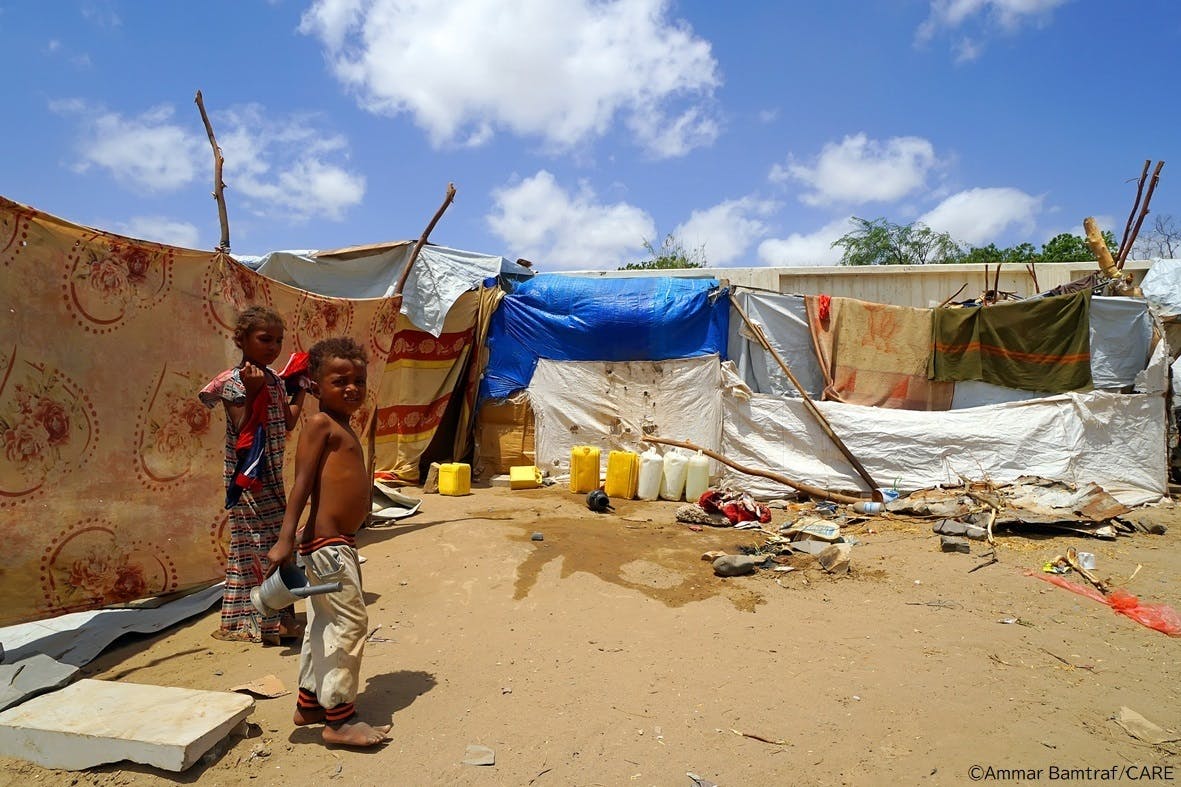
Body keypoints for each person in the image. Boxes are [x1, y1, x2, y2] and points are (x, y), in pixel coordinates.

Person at [267, 336, 391, 747]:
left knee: (323, 623)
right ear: (315, 385)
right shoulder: (320, 424)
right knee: (348, 623)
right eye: (340, 381)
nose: (352, 388)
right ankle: (339, 719)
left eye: (359, 380)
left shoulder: (344, 426)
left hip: (337, 544)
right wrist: (285, 539)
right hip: (328, 546)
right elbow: (301, 484)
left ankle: (310, 703)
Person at [199, 306, 306, 645]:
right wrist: (254, 390)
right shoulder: (234, 382)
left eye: (278, 341)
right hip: (249, 479)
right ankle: (269, 623)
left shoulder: (273, 379)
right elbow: (242, 431)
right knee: (263, 545)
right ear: (241, 340)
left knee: (263, 543)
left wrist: (301, 388)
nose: (273, 347)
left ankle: (253, 618)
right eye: (264, 339)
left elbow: (288, 421)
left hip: (271, 475)